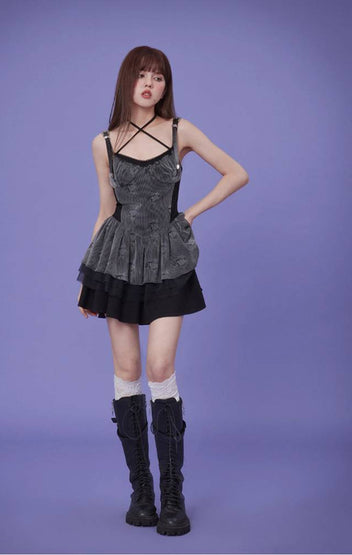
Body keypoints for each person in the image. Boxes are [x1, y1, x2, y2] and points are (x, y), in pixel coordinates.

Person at [75, 45, 249, 536]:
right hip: (117, 261)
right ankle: (141, 492)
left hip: (168, 260)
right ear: (126, 82)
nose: (150, 84)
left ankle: (173, 494)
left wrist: (188, 214)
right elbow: (106, 211)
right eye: (142, 75)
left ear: (165, 85)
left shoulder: (179, 131)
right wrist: (89, 278)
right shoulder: (103, 143)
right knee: (127, 371)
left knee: (159, 367)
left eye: (158, 77)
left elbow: (237, 173)